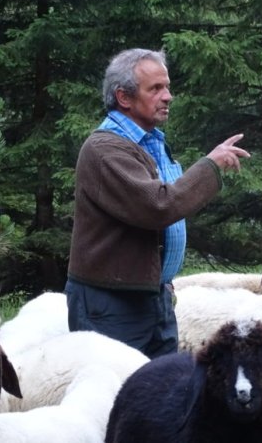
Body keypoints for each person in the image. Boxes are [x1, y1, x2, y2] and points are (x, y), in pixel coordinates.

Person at [65, 48, 249, 358]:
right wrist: (210, 166)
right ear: (124, 97)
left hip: (153, 297)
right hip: (112, 304)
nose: (168, 96)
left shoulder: (151, 143)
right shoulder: (105, 149)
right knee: (114, 396)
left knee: (158, 396)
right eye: (156, 89)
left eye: (167, 86)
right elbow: (159, 206)